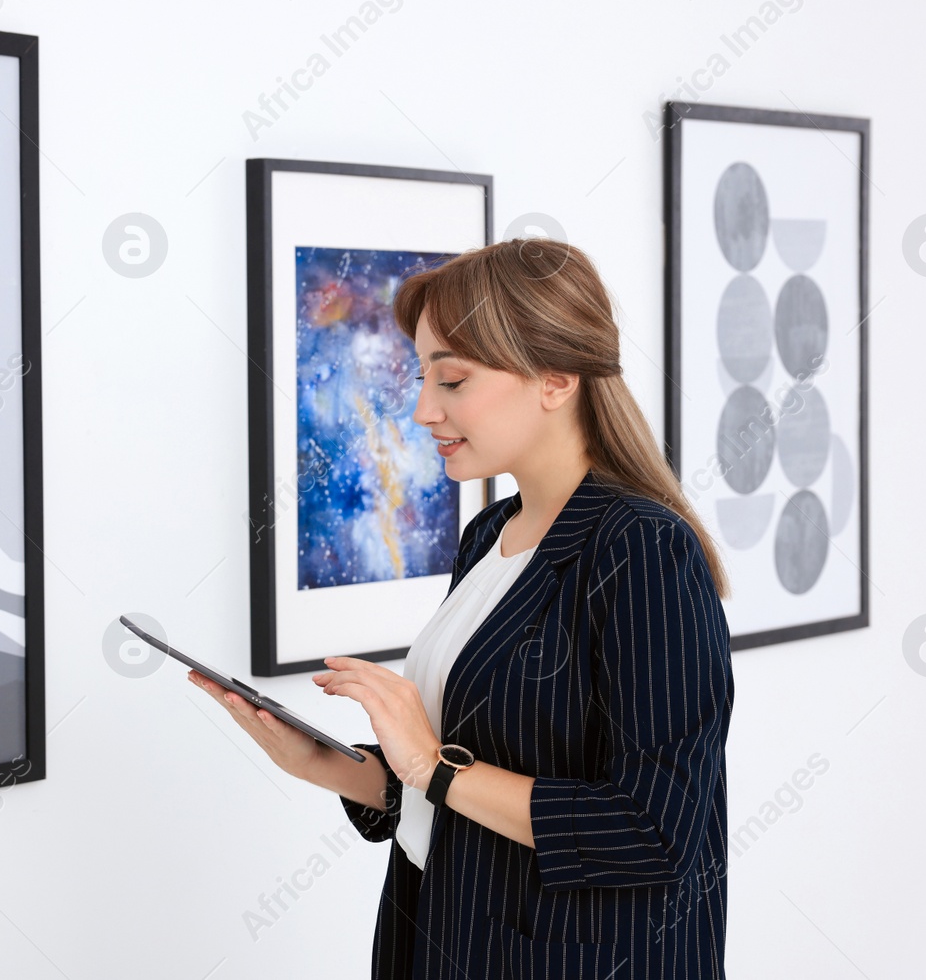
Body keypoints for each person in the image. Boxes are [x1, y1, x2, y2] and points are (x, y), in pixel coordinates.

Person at [190, 237, 734, 979]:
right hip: (440, 937)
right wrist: (329, 764)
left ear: (557, 377)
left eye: (451, 380)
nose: (422, 410)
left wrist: (431, 764)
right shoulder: (489, 535)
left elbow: (653, 829)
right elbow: (463, 775)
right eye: (423, 377)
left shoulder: (640, 549)